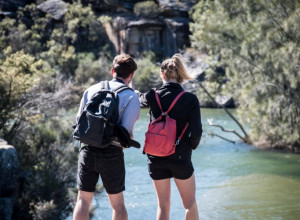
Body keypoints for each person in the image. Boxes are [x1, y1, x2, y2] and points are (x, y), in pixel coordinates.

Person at [73, 54, 140, 220]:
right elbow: (126, 133)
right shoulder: (131, 96)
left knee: (82, 199)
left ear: (112, 71)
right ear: (131, 75)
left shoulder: (92, 89)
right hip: (112, 153)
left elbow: (78, 121)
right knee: (117, 204)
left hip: (87, 150)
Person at [137, 54, 202, 220]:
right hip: (180, 156)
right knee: (190, 205)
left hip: (155, 156)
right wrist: (188, 147)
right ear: (181, 75)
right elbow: (196, 133)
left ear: (162, 74)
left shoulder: (152, 95)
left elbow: (137, 100)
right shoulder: (190, 99)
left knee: (163, 206)